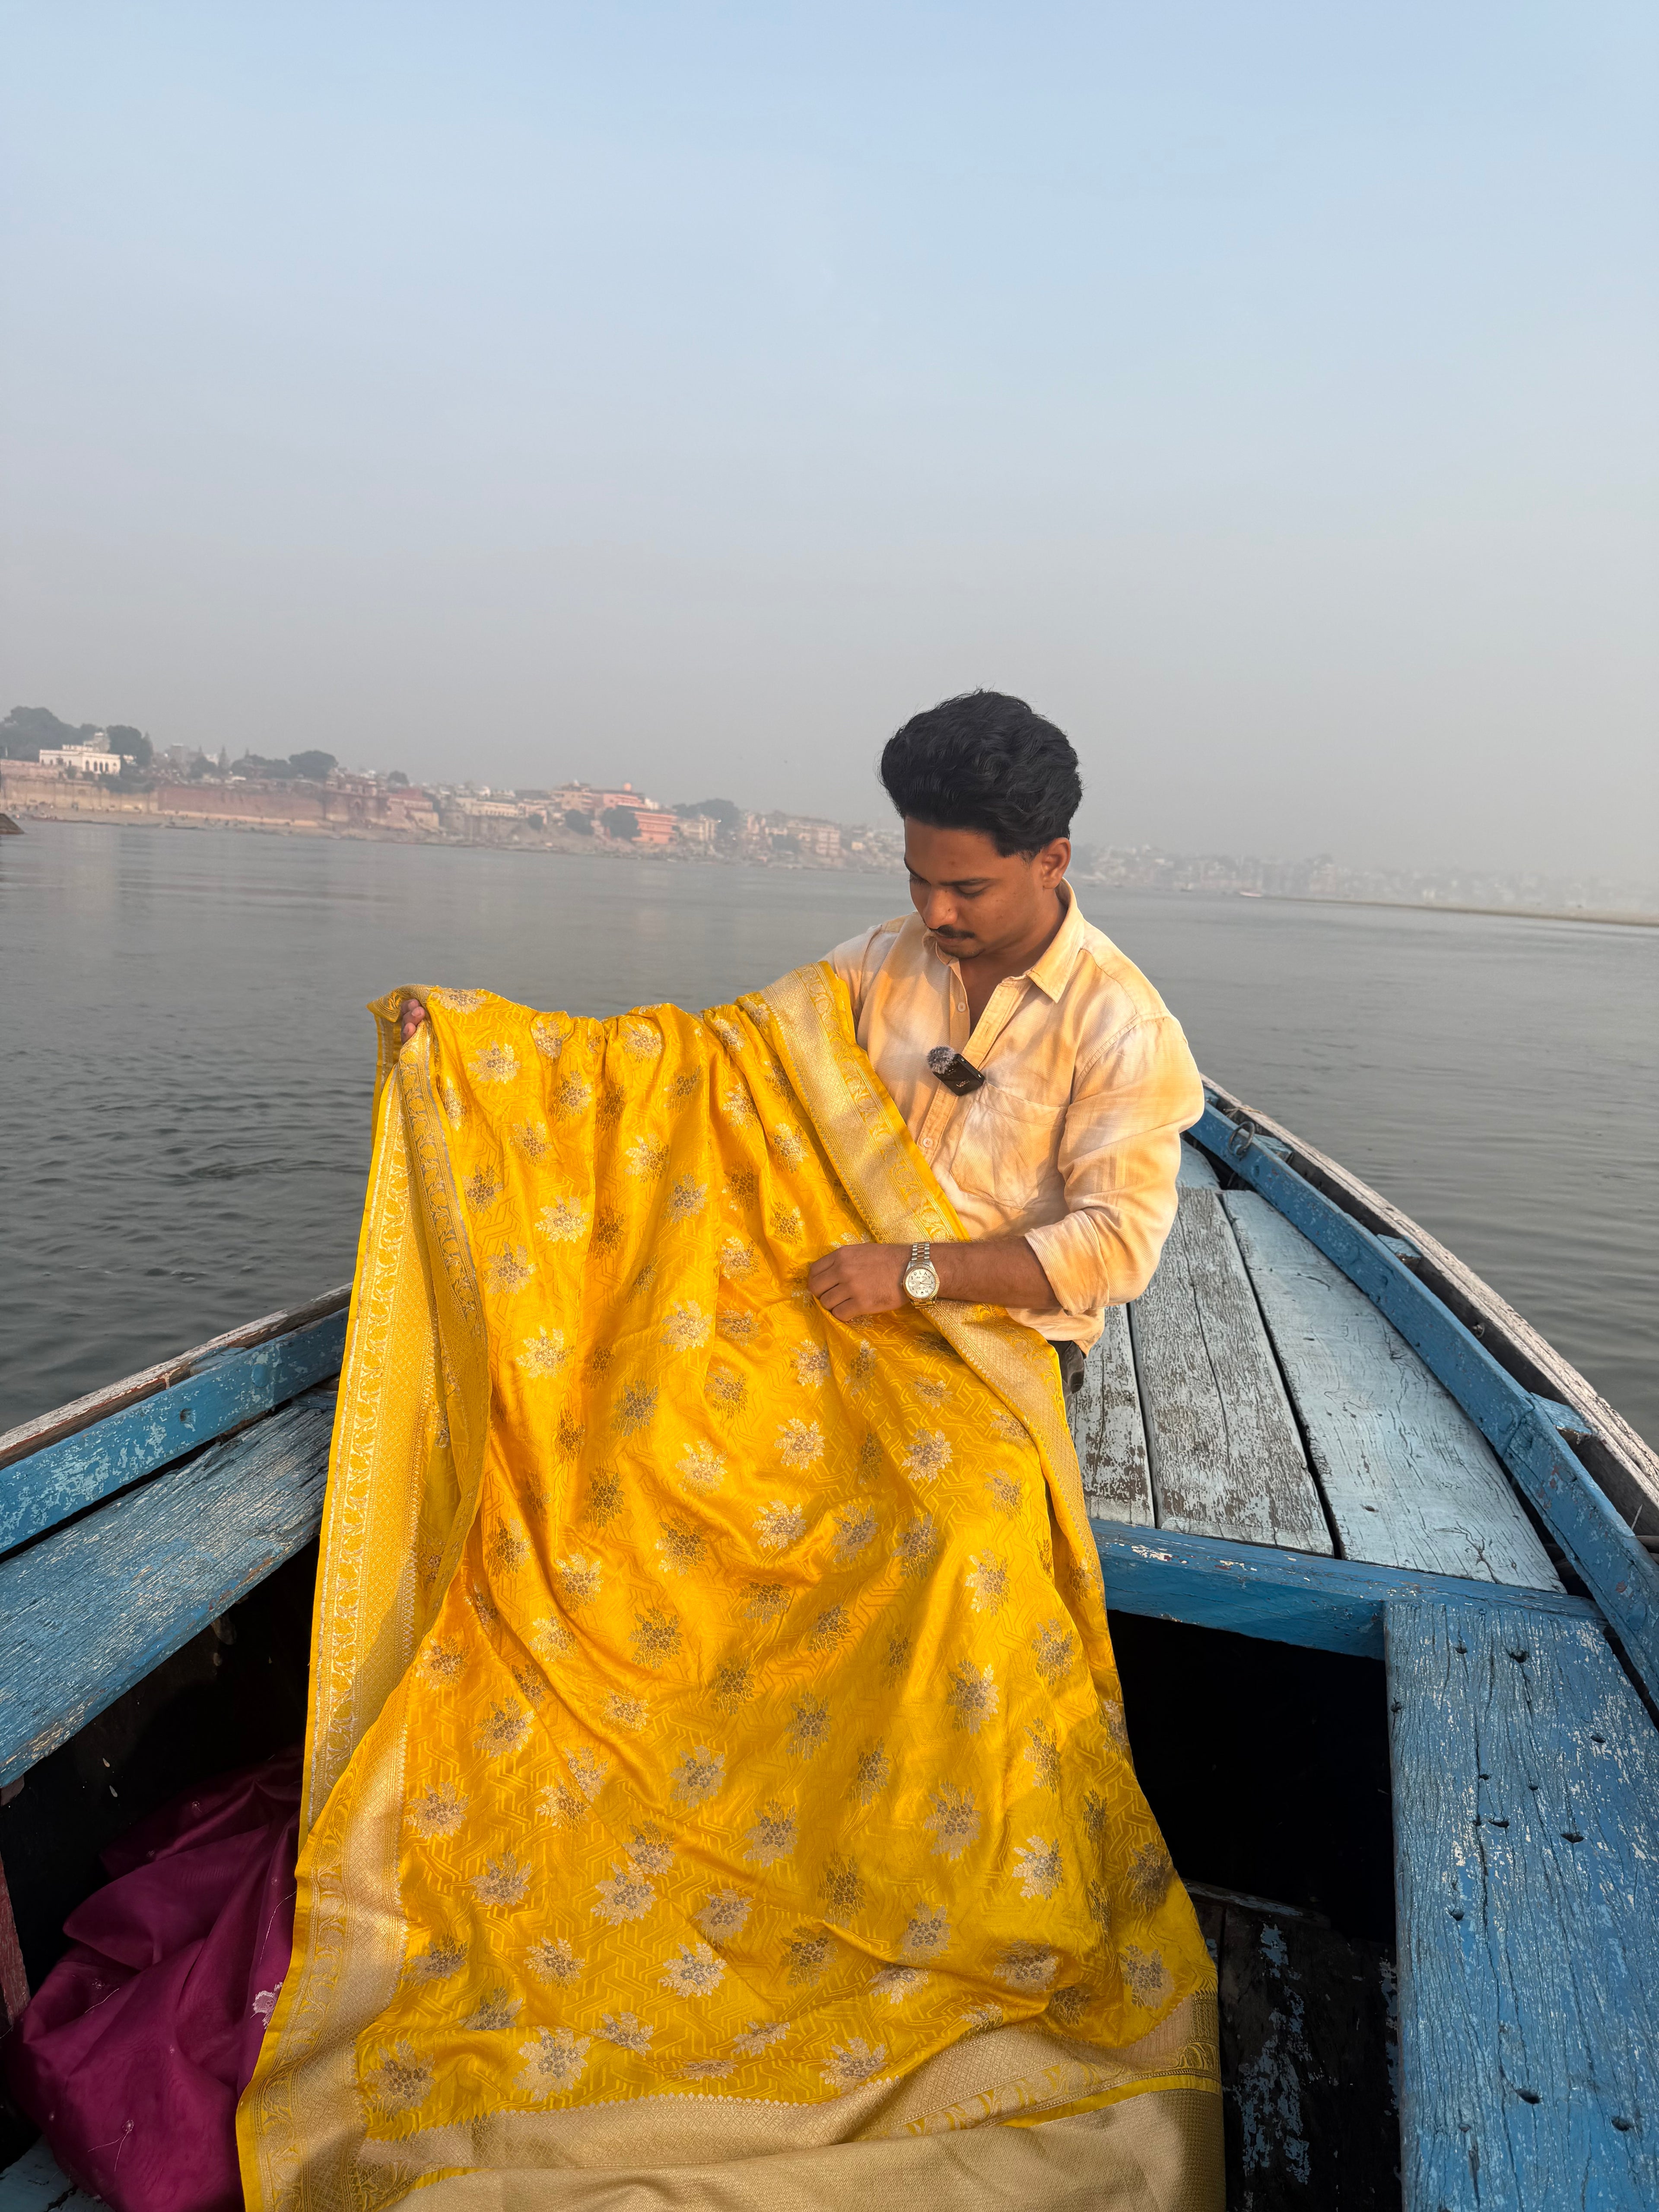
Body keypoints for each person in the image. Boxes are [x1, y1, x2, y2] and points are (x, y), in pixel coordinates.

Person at [403, 691, 1202, 1392]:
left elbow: (1115, 1249)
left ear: (1050, 862)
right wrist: (483, 1042)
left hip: (1000, 1341)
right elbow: (714, 1058)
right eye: (918, 879)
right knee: (612, 1370)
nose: (936, 914)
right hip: (845, 1292)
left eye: (967, 889)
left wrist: (914, 1271)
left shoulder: (1123, 1029)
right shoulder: (879, 962)